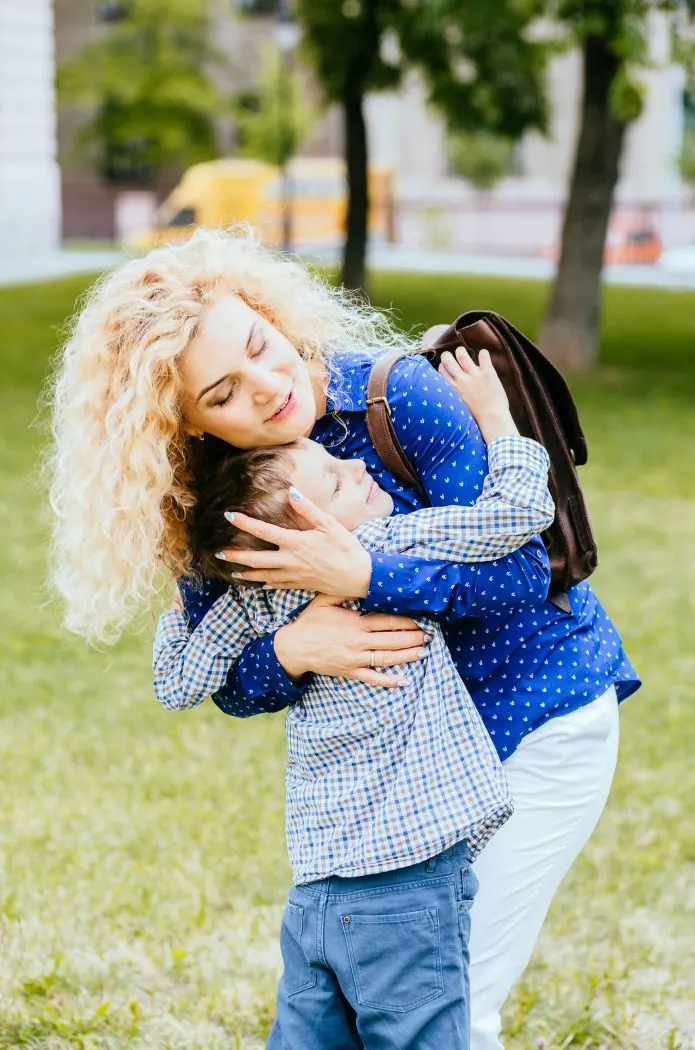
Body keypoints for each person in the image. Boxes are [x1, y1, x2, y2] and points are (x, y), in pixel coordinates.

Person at [48, 227, 640, 1050]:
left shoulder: (397, 400)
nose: (267, 387)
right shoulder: (226, 494)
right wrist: (293, 653)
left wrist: (364, 576)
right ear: (185, 427)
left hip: (535, 717)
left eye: (260, 345)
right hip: (405, 783)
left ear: (270, 313)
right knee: (373, 1011)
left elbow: (521, 571)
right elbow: (220, 672)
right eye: (221, 394)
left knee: (454, 1003)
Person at [152, 359, 555, 1047]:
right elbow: (520, 515)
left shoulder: (258, 596)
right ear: (304, 533)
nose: (360, 470)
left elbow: (177, 679)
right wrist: (499, 421)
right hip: (408, 884)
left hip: (316, 889)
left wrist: (198, 591)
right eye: (335, 480)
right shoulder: (387, 540)